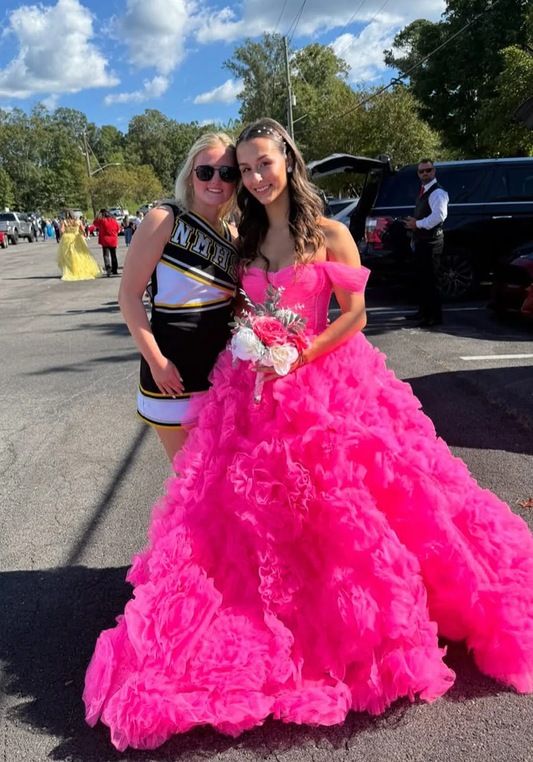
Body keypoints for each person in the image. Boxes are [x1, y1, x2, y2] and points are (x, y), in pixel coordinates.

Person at [84, 118, 533, 752]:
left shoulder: (331, 234)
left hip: (330, 385)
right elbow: (239, 306)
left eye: (261, 163)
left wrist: (300, 353)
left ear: (287, 161)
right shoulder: (243, 238)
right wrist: (256, 343)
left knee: (355, 505)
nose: (252, 177)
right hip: (253, 390)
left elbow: (356, 315)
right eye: (242, 169)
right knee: (259, 514)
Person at [115, 132, 239, 462]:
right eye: (206, 171)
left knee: (222, 479)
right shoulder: (165, 218)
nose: (216, 180)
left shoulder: (234, 235)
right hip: (171, 374)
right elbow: (128, 295)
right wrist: (157, 362)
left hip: (220, 375)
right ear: (190, 174)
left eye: (227, 173)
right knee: (192, 484)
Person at [405, 160, 449, 327]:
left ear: (434, 171)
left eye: (428, 170)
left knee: (432, 279)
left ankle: (434, 317)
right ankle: (423, 312)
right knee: (423, 278)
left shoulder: (438, 193)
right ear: (418, 174)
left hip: (433, 242)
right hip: (422, 240)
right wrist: (414, 229)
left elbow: (439, 216)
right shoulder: (424, 191)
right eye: (421, 171)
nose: (424, 174)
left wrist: (418, 223)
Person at [57, 209, 101, 281]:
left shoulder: (64, 221)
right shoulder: (78, 221)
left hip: (67, 238)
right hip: (77, 238)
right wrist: (80, 233)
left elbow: (61, 231)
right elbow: (83, 230)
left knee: (68, 256)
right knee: (80, 255)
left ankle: (71, 270)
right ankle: (79, 269)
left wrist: (66, 232)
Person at [94, 209, 121, 276]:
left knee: (106, 255)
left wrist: (97, 216)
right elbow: (118, 229)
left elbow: (94, 223)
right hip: (113, 240)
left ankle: (108, 267)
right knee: (113, 255)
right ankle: (115, 270)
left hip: (105, 240)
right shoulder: (114, 221)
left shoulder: (102, 221)